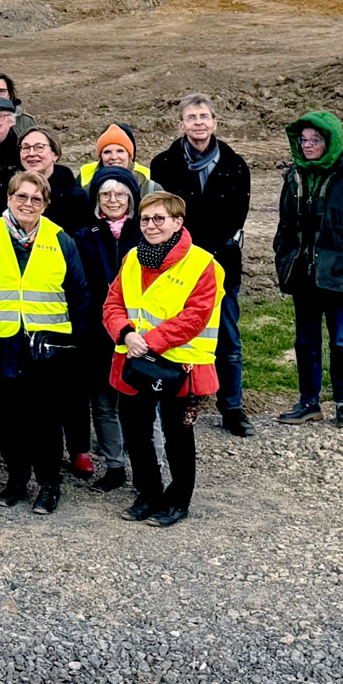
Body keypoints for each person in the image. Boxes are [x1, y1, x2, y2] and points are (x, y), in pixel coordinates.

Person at [0, 170, 93, 516]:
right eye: (21, 197)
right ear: (9, 198)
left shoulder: (61, 239)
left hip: (48, 347)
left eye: (36, 199)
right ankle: (16, 480)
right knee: (7, 417)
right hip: (0, 341)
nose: (28, 204)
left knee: (45, 419)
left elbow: (80, 295)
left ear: (45, 204)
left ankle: (48, 484)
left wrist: (76, 344)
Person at [106, 191, 221, 526]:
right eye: (145, 219)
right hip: (135, 363)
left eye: (159, 219)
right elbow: (113, 304)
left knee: (178, 437)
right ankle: (148, 493)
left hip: (179, 366)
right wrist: (126, 334)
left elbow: (196, 316)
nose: (151, 225)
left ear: (178, 222)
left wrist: (148, 342)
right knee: (136, 433)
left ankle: (178, 500)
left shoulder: (202, 264)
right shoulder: (131, 259)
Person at [272, 111, 343, 429]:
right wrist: (283, 253)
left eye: (315, 139)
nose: (307, 145)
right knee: (305, 342)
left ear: (330, 141)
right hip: (302, 273)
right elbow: (284, 223)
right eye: (303, 139)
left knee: (342, 342)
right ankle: (309, 402)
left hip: (339, 273)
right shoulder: (294, 176)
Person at [149, 95, 253, 437]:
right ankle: (178, 397)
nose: (198, 122)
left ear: (215, 123)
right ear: (181, 125)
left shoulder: (237, 165)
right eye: (191, 117)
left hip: (220, 264)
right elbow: (161, 217)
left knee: (227, 338)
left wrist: (204, 255)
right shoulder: (163, 164)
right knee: (175, 333)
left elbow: (236, 217)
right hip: (175, 266)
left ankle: (232, 408)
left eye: (204, 116)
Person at [71, 167, 139, 492]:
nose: (113, 200)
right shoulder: (84, 237)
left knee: (138, 404)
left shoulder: (145, 234)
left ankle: (143, 465)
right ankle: (114, 466)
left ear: (131, 199)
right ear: (96, 199)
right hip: (97, 335)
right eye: (106, 194)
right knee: (103, 404)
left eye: (120, 194)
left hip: (138, 333)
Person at [20, 127, 92, 233]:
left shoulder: (75, 197)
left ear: (55, 154)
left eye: (39, 147)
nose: (31, 153)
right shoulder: (8, 190)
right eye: (26, 148)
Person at [78, 123, 155, 194]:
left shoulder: (149, 185)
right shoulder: (85, 175)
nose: (114, 157)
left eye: (120, 151)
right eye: (107, 152)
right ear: (100, 157)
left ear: (130, 155)